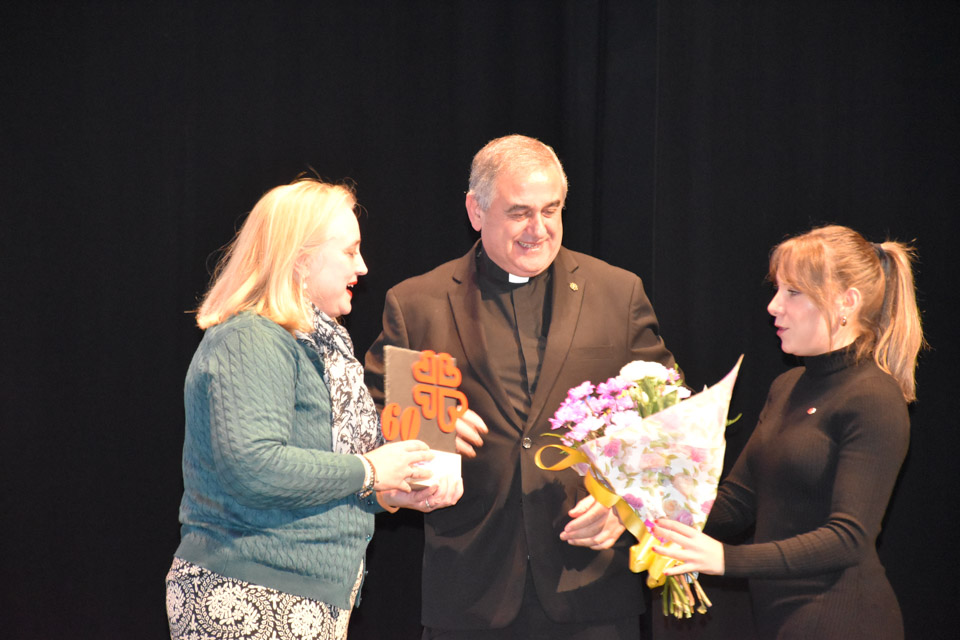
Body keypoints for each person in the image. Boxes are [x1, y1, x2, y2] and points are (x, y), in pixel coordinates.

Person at [364, 134, 676, 639]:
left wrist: (629, 503)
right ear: (476, 210)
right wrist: (426, 423)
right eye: (519, 213)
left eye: (551, 210)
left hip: (590, 586)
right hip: (471, 591)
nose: (539, 229)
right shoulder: (417, 304)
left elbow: (669, 419)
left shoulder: (618, 293)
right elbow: (370, 418)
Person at [165, 177, 463, 640]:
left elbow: (320, 478)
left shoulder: (319, 348)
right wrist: (370, 470)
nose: (362, 266)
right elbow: (254, 467)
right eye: (349, 251)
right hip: (248, 592)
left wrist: (390, 491)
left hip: (302, 598)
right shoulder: (251, 337)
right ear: (301, 260)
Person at [653, 225, 924, 639]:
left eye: (794, 292)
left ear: (847, 302)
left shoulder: (874, 397)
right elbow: (737, 504)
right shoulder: (786, 386)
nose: (774, 306)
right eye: (777, 289)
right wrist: (651, 502)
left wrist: (725, 559)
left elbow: (848, 538)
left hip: (842, 620)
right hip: (779, 618)